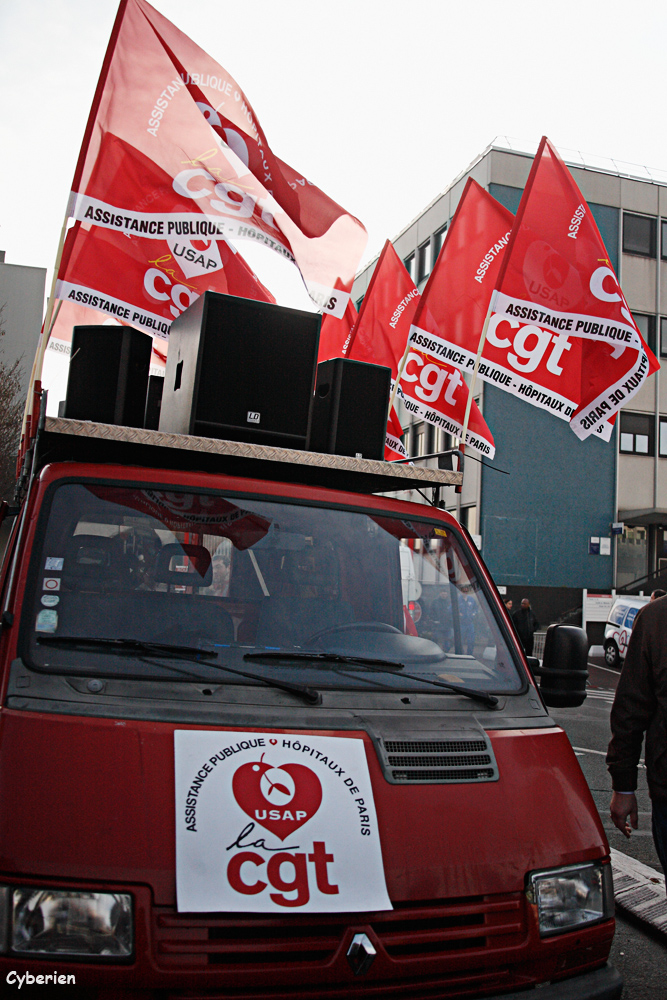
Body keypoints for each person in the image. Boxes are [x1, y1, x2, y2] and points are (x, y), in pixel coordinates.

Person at [607, 596, 667, 875]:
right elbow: (630, 709)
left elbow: (630, 709)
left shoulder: (656, 618)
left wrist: (624, 786)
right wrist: (623, 784)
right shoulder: (656, 618)